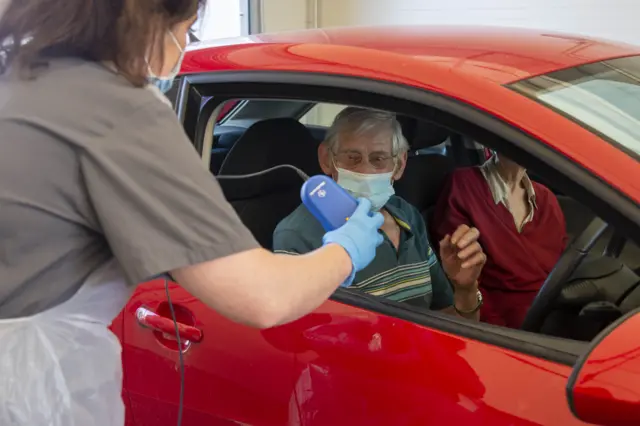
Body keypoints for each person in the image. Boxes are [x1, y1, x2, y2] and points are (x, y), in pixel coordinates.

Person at [0, 1, 384, 425]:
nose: (186, 43)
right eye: (187, 28)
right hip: (27, 388)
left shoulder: (21, 76)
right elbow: (262, 296)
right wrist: (346, 249)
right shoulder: (115, 112)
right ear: (146, 17)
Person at [273, 107, 486, 318]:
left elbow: (451, 323)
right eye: (352, 157)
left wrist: (465, 291)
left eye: (379, 159)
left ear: (399, 165)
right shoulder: (296, 234)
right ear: (327, 160)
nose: (365, 171)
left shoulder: (406, 215)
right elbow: (301, 338)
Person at [432, 152, 568, 329]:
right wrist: (499, 330)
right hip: (501, 329)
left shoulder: (547, 199)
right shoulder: (463, 185)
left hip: (552, 314)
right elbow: (462, 275)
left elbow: (563, 270)